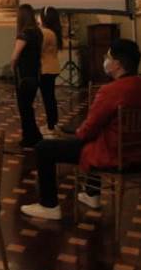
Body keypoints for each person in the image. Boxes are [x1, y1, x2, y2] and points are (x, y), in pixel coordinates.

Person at [21, 39, 141, 220]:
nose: (105, 60)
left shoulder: (111, 90)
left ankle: (49, 206)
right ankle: (92, 194)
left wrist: (72, 134)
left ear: (117, 64)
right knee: (96, 135)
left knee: (44, 148)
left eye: (107, 56)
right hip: (135, 151)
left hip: (113, 153)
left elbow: (89, 130)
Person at [11, 4, 44, 148]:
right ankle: (35, 135)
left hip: (24, 76)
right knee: (28, 107)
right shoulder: (38, 33)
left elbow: (15, 56)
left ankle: (29, 137)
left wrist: (12, 68)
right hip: (34, 74)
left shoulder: (24, 34)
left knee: (24, 109)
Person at [39, 6, 62, 136]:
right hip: (52, 66)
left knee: (48, 98)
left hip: (46, 68)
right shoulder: (53, 32)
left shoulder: (45, 32)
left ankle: (51, 126)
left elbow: (39, 49)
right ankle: (53, 123)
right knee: (50, 98)